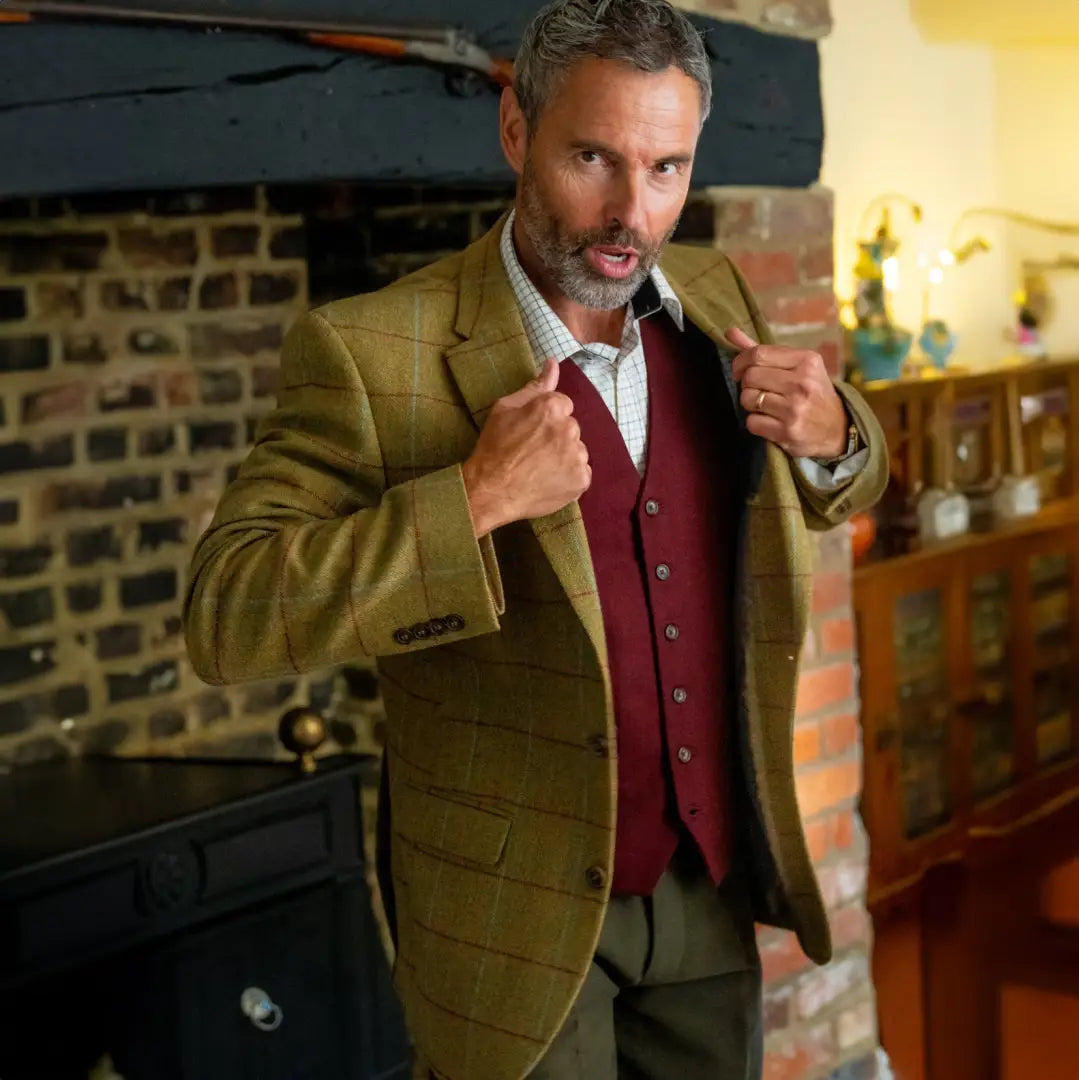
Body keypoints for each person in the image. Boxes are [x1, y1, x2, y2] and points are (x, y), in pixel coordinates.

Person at [184, 0, 887, 1076]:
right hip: (511, 921)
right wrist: (468, 501)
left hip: (707, 885)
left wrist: (838, 434)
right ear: (516, 129)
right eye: (593, 158)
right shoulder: (372, 353)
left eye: (665, 169)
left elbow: (846, 477)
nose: (630, 214)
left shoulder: (712, 295)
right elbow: (225, 617)